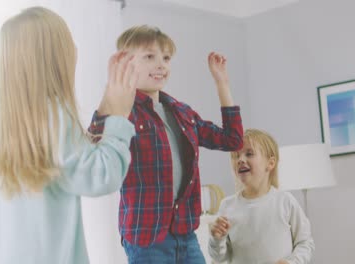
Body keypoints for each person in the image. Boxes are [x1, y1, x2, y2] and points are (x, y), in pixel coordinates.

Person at [0, 7, 139, 264]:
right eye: (69, 41)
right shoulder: (55, 115)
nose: (75, 49)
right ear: (57, 57)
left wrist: (106, 109)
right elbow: (100, 175)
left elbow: (72, 163)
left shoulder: (15, 126)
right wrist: (119, 118)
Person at [87, 25, 243, 263]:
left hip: (186, 234)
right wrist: (113, 92)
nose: (161, 64)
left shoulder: (182, 113)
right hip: (147, 240)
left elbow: (232, 140)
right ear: (126, 64)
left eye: (166, 58)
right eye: (150, 57)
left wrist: (222, 83)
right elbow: (94, 148)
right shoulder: (124, 111)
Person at [208, 129, 315, 264]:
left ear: (270, 163)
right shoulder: (227, 206)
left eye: (249, 154)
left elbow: (305, 243)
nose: (240, 159)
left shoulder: (285, 201)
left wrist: (292, 262)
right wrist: (216, 239)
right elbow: (219, 258)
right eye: (236, 155)